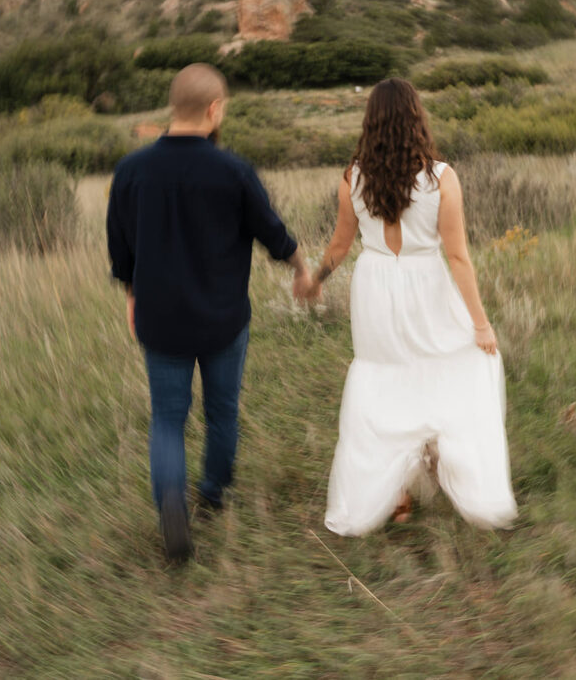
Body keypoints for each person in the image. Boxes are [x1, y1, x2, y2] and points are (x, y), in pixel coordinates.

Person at [106, 64, 314, 561]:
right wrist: (302, 269)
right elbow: (272, 232)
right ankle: (214, 494)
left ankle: (171, 505)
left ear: (172, 109)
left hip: (161, 319)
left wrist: (133, 294)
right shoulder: (233, 170)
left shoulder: (130, 171)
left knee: (168, 419)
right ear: (215, 109)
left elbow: (121, 246)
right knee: (223, 410)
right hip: (224, 321)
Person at [308, 78, 518, 536]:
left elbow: (340, 246)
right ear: (417, 119)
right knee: (450, 366)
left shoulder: (352, 178)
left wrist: (316, 280)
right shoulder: (441, 178)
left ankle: (396, 495)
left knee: (383, 381)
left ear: (371, 123)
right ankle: (438, 459)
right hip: (427, 282)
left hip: (376, 285)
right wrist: (480, 324)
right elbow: (458, 257)